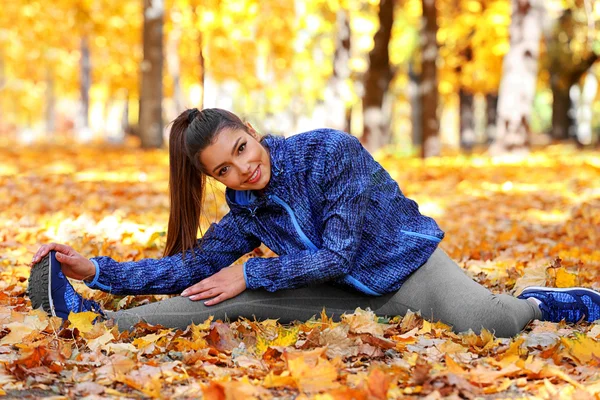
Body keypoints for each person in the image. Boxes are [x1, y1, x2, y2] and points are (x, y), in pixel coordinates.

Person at [28, 108, 600, 337]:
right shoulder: (245, 204)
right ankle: (92, 318)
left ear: (252, 130)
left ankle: (537, 301)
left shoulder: (329, 151)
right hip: (339, 293)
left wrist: (252, 273)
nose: (244, 169)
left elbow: (342, 252)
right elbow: (193, 265)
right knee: (212, 295)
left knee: (491, 325)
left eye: (243, 148)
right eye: (224, 170)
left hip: (408, 268)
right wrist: (95, 268)